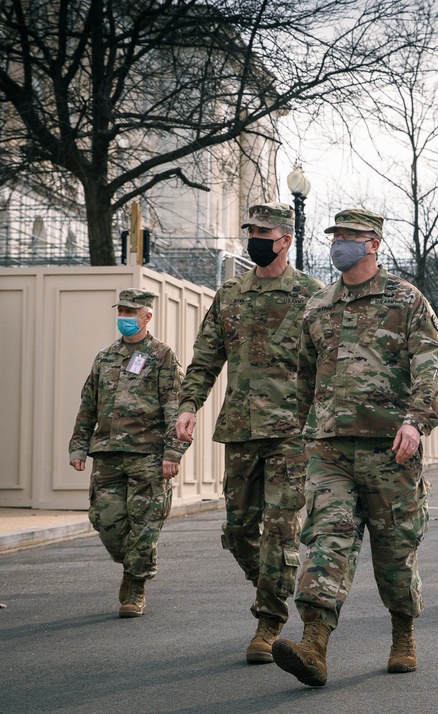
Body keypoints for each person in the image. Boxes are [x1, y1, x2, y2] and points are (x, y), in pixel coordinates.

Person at [271, 208, 438, 687]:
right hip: (329, 449)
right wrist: (301, 435)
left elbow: (432, 368)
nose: (338, 244)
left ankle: (403, 633)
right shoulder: (318, 307)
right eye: (335, 236)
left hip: (392, 449)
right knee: (327, 538)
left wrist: (416, 422)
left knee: (394, 552)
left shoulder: (406, 300)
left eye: (349, 237)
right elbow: (304, 378)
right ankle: (314, 644)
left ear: (373, 244)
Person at [175, 203, 323, 664]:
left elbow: (332, 365)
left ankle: (269, 619)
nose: (253, 238)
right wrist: (187, 406)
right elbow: (204, 359)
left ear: (286, 239)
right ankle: (274, 583)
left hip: (292, 432)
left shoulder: (313, 295)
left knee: (281, 528)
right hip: (241, 427)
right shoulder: (230, 295)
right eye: (250, 231)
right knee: (239, 530)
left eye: (263, 231)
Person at [69, 288, 188, 618]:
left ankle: (135, 586)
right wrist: (78, 446)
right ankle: (135, 563)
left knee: (145, 525)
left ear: (146, 316)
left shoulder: (162, 356)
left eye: (130, 312)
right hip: (107, 454)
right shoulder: (105, 357)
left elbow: (175, 408)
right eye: (120, 311)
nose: (123, 317)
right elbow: (87, 406)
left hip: (147, 456)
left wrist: (172, 454)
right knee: (105, 522)